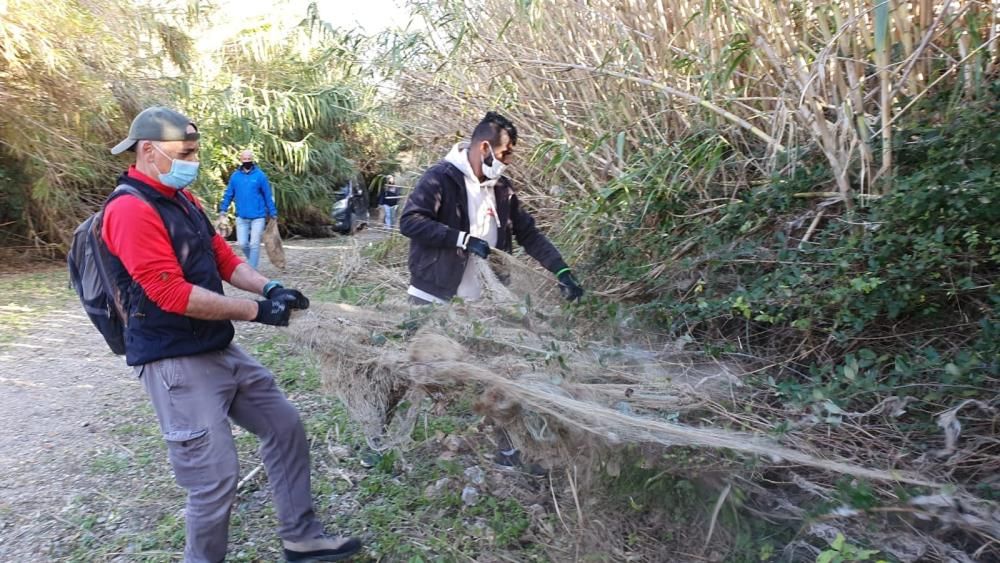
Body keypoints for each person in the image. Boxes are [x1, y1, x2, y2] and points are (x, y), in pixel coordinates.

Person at [104, 106, 361, 563]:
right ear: (148, 151)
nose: (194, 160)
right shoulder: (129, 210)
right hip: (174, 362)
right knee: (214, 480)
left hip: (216, 346)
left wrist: (271, 287)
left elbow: (223, 257)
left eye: (196, 151)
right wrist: (257, 311)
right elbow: (171, 293)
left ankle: (300, 537)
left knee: (283, 426)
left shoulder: (183, 200)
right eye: (186, 152)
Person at [399, 111, 584, 471]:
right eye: (506, 153)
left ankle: (508, 449)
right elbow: (411, 221)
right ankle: (385, 436)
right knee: (416, 372)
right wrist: (462, 239)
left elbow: (529, 234)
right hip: (435, 295)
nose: (508, 161)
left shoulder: (502, 189)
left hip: (486, 304)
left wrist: (562, 270)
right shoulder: (440, 179)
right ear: (484, 147)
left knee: (500, 373)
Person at [218, 149, 278, 269]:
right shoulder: (235, 177)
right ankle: (252, 261)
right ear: (241, 160)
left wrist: (273, 212)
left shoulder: (260, 176)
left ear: (252, 159)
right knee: (243, 243)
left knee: (254, 243)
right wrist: (223, 209)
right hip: (241, 216)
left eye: (249, 159)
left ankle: (252, 268)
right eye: (244, 159)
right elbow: (229, 194)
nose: (247, 161)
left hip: (258, 216)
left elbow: (267, 195)